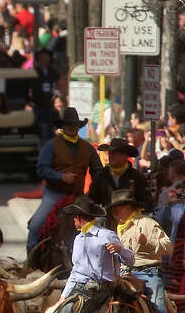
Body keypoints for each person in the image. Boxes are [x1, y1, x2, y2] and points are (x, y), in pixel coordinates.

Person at [35, 196, 145, 313]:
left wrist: (120, 249)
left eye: (74, 218)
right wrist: (62, 298)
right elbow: (76, 272)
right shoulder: (77, 239)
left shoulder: (106, 235)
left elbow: (130, 260)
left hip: (106, 290)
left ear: (79, 218)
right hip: (80, 290)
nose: (73, 221)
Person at [106, 190, 173, 313]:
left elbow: (168, 247)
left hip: (148, 274)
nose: (113, 213)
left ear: (127, 207)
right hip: (122, 275)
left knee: (159, 310)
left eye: (116, 209)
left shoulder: (147, 223)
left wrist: (148, 241)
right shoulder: (116, 227)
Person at [26, 108, 103, 255]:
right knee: (36, 225)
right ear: (63, 126)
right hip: (53, 193)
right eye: (68, 124)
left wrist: (93, 194)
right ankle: (31, 257)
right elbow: (41, 169)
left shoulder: (87, 148)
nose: (71, 127)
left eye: (74, 124)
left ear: (78, 126)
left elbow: (98, 171)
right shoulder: (51, 145)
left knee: (98, 225)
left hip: (78, 196)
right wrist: (60, 176)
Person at [88, 138, 152, 214]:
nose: (111, 157)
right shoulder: (102, 176)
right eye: (110, 153)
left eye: (115, 154)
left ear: (124, 156)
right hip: (107, 219)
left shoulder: (137, 176)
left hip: (132, 220)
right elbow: (92, 200)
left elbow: (147, 204)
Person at [31, 49, 59, 142]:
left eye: (46, 57)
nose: (44, 59)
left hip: (50, 102)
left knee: (50, 124)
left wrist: (56, 95)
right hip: (37, 102)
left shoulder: (54, 71)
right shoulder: (35, 71)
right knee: (38, 123)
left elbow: (57, 85)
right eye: (42, 57)